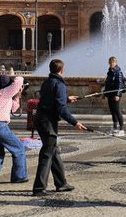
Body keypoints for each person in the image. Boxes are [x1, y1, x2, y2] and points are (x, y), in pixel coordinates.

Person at [32, 59, 87, 197]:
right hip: (48, 122)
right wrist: (75, 123)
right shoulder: (60, 84)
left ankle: (61, 184)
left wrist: (67, 99)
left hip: (40, 118)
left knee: (53, 151)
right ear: (62, 70)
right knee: (47, 153)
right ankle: (39, 188)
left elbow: (52, 99)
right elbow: (61, 109)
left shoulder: (46, 82)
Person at [104, 56, 125, 136]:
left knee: (117, 111)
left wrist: (117, 95)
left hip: (115, 94)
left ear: (116, 63)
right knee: (113, 112)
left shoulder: (118, 71)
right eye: (110, 62)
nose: (112, 64)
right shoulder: (110, 71)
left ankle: (122, 129)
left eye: (113, 62)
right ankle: (115, 128)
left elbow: (119, 84)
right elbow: (108, 83)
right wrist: (105, 93)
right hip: (110, 94)